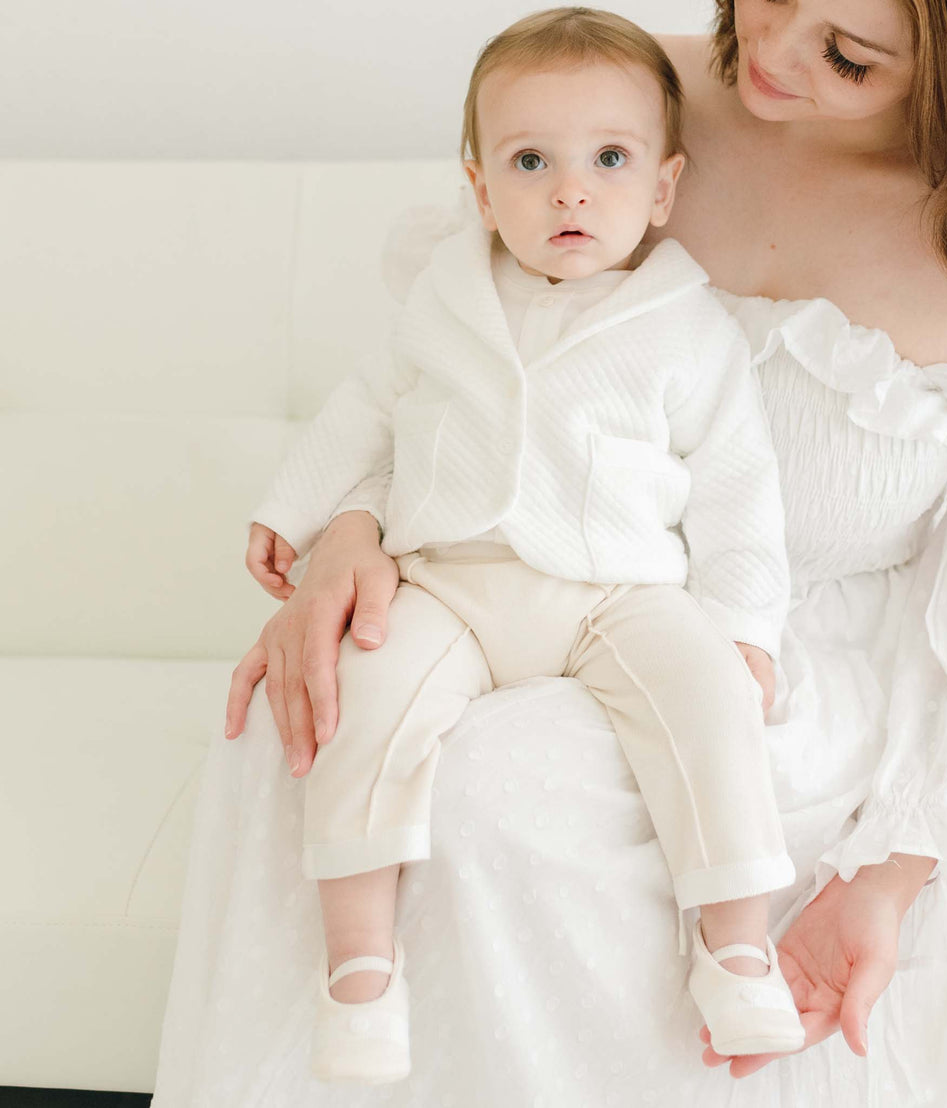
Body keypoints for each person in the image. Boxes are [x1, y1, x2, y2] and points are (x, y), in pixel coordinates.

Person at [153, 0, 947, 1104]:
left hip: (790, 674)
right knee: (304, 729)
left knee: (508, 793)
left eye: (846, 55)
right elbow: (451, 368)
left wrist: (889, 879)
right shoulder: (612, 97)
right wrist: (351, 530)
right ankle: (357, 1008)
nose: (772, 53)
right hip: (506, 572)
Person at [247, 8, 806, 1084]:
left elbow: (739, 495)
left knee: (711, 703)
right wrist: (300, 506)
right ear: (478, 185)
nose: (570, 191)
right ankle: (359, 964)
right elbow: (368, 407)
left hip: (617, 589)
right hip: (448, 580)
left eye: (608, 160)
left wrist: (744, 629)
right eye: (530, 162)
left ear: (663, 186)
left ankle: (734, 941)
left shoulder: (686, 325)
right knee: (361, 704)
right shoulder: (445, 299)